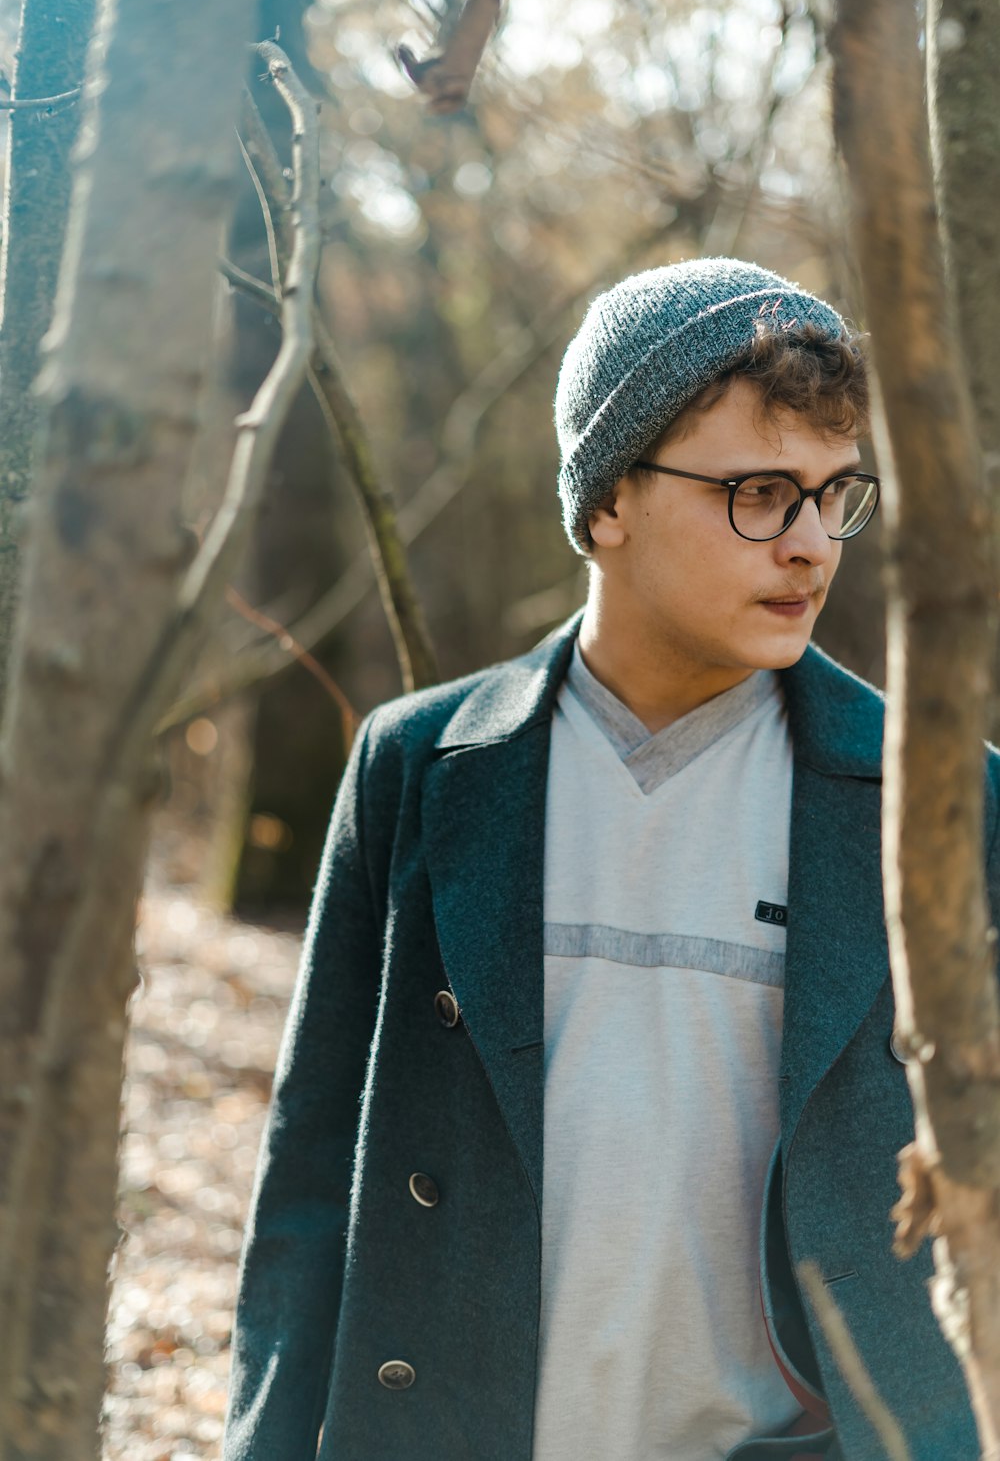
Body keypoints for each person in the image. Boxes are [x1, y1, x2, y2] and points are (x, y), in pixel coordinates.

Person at [222, 258, 1000, 1461]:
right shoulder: (422, 766)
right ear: (605, 505)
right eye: (757, 492)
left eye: (833, 494)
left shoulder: (937, 797)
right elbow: (313, 1171)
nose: (809, 547)